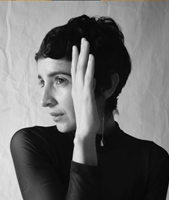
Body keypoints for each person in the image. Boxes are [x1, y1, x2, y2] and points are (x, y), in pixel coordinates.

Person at [10, 15, 169, 199]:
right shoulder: (32, 144)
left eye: (60, 80)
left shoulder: (153, 161)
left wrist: (85, 136)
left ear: (107, 85)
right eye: (42, 82)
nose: (44, 100)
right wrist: (84, 139)